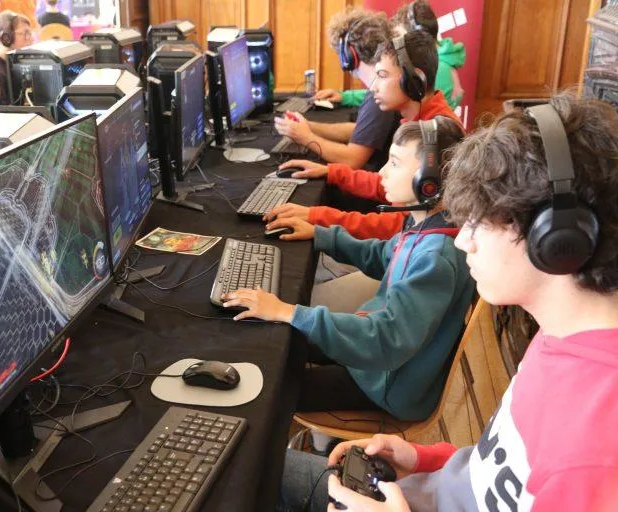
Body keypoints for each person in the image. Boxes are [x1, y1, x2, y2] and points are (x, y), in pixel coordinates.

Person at [278, 93, 618, 512]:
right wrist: (425, 459)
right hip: (417, 489)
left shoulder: (595, 450)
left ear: (555, 240)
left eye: (479, 224)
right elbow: (496, 474)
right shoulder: (554, 338)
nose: (461, 240)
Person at [223, 116, 473, 425]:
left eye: (394, 163)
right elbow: (383, 255)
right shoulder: (426, 224)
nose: (381, 172)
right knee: (276, 341)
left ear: (428, 181)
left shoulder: (436, 257)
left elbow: (385, 341)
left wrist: (288, 312)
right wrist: (321, 235)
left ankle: (317, 451)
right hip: (378, 355)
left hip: (387, 384)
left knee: (270, 387)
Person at [268, 29, 463, 243]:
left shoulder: (434, 138)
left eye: (383, 76)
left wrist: (318, 216)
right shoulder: (418, 121)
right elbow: (387, 183)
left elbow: (399, 226)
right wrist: (331, 172)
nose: (373, 87)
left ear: (415, 79)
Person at [273, 9, 399, 169]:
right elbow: (361, 131)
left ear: (349, 56)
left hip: (373, 180)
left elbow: (352, 160)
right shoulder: (381, 87)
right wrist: (308, 126)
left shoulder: (379, 96)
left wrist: (306, 137)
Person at [314, 0, 466, 111]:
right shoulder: (435, 63)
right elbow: (391, 90)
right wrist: (346, 97)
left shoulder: (438, 70)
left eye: (399, 38)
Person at [0, 10, 34, 104]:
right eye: (24, 33)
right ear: (6, 38)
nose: (30, 39)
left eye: (30, 33)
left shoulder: (15, 64)